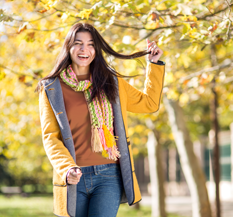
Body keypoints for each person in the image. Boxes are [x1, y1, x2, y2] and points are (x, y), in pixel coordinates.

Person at [37, 23, 165, 217]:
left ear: (96, 50)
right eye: (78, 43)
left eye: (90, 44)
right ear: (68, 47)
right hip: (73, 177)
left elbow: (149, 103)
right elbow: (50, 137)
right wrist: (67, 169)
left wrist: (153, 65)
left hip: (108, 176)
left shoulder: (110, 82)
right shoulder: (51, 88)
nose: (84, 49)